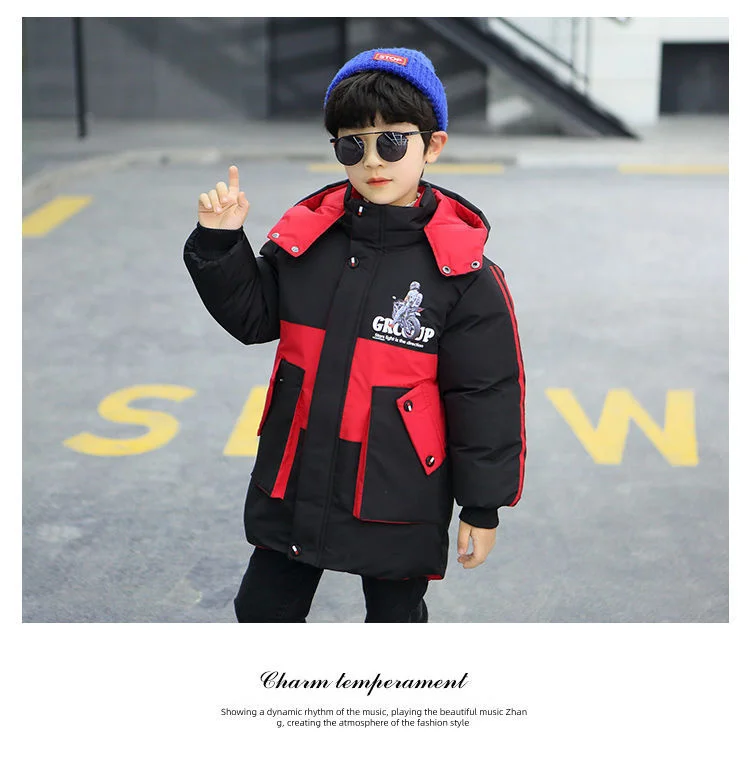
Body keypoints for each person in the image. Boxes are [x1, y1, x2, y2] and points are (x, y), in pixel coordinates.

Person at [183, 47, 526, 623]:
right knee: (262, 610)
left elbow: (485, 394)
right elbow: (253, 318)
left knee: (393, 622)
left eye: (392, 141)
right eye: (352, 145)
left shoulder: (462, 272)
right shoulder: (307, 238)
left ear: (432, 146)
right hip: (296, 473)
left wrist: (482, 506)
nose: (372, 161)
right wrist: (220, 243)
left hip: (399, 489)